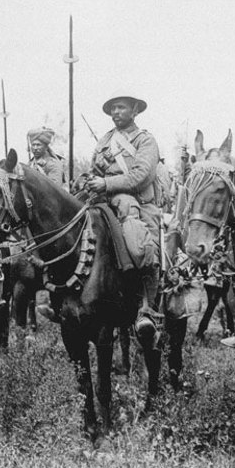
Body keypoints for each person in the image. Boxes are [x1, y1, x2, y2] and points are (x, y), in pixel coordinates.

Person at [82, 94, 162, 338]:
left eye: (121, 107)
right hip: (104, 201)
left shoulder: (145, 140)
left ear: (135, 110)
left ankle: (145, 308)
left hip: (138, 203)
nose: (115, 112)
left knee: (140, 245)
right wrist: (87, 181)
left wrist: (106, 183)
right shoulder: (105, 140)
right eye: (112, 109)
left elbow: (140, 176)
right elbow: (93, 170)